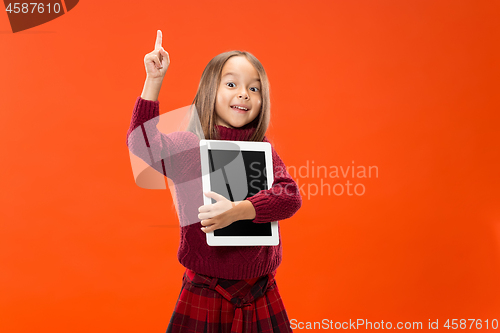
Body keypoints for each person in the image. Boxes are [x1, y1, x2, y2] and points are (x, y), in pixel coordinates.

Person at [126, 30, 302, 333]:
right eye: (231, 84)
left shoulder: (265, 151)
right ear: (210, 91)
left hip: (260, 288)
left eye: (254, 88)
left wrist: (240, 210)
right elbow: (143, 145)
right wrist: (153, 81)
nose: (244, 93)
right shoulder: (188, 148)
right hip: (206, 290)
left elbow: (290, 197)